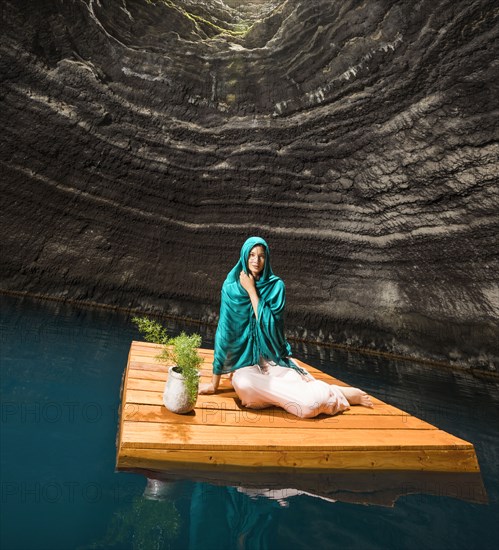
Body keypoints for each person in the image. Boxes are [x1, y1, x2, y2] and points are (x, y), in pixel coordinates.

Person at [199, 236, 373, 418]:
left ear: (267, 259)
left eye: (261, 256)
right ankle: (319, 391)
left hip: (274, 359)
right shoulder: (231, 288)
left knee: (308, 407)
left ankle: (334, 393)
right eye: (251, 255)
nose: (256, 261)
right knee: (244, 385)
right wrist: (214, 383)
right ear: (244, 256)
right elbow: (224, 334)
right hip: (245, 364)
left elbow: (271, 328)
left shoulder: (276, 287)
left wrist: (251, 291)